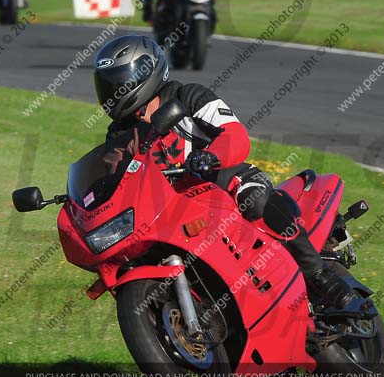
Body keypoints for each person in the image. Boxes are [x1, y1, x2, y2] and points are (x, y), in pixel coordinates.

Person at [92, 35, 354, 309]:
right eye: (108, 85)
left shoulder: (188, 96)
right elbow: (114, 181)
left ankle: (318, 275)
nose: (113, 92)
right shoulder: (119, 134)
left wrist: (210, 157)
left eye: (119, 82)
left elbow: (236, 136)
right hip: (175, 208)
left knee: (254, 198)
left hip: (222, 179)